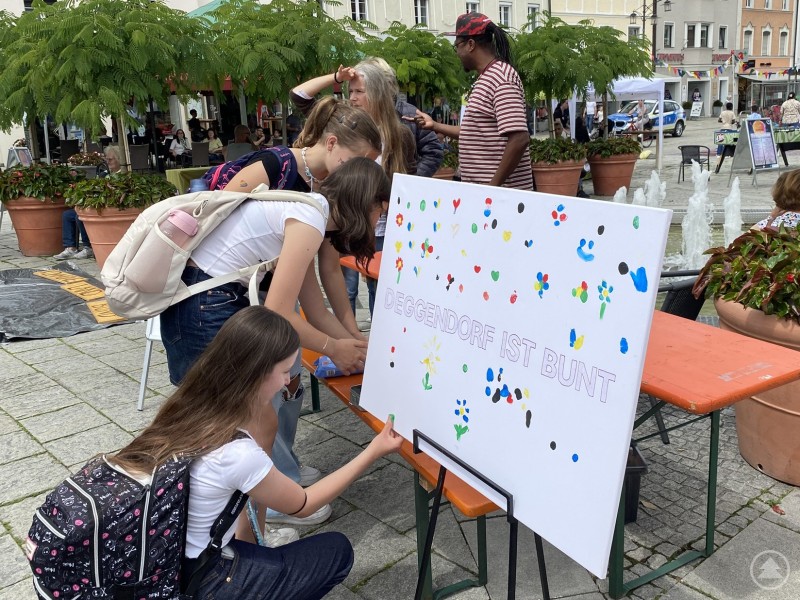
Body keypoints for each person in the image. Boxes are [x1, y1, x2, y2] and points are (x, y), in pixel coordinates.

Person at [111, 305, 403, 600]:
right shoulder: (237, 452)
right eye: (285, 371)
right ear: (257, 372)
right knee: (335, 550)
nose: (288, 381)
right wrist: (373, 450)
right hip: (196, 581)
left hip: (156, 562)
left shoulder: (186, 407)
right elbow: (303, 504)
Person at [162, 151, 387, 530]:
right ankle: (261, 513)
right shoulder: (310, 219)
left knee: (257, 418)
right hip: (203, 305)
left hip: (205, 300)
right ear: (364, 203)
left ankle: (258, 511)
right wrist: (334, 348)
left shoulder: (311, 213)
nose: (378, 222)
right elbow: (279, 314)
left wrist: (359, 346)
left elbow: (315, 311)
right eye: (378, 212)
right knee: (237, 421)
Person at [293, 57, 441, 317]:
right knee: (345, 286)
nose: (352, 97)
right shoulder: (342, 121)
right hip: (345, 220)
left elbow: (412, 175)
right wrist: (336, 78)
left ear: (378, 93)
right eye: (350, 91)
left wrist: (396, 199)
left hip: (382, 225)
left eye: (359, 91)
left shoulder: (400, 132)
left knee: (380, 287)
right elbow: (299, 96)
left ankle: (375, 338)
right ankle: (346, 334)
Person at [413, 12, 532, 190]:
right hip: (485, 195)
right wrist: (435, 125)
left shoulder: (501, 78)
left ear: (470, 44)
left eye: (457, 46)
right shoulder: (487, 77)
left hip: (501, 198)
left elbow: (519, 138)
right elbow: (474, 133)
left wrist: (492, 188)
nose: (457, 53)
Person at [54, 145, 122, 260]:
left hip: (107, 207)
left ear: (119, 159)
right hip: (95, 204)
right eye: (106, 159)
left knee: (80, 216)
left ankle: (88, 247)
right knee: (68, 215)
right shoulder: (104, 174)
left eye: (110, 159)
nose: (107, 161)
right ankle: (70, 247)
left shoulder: (122, 175)